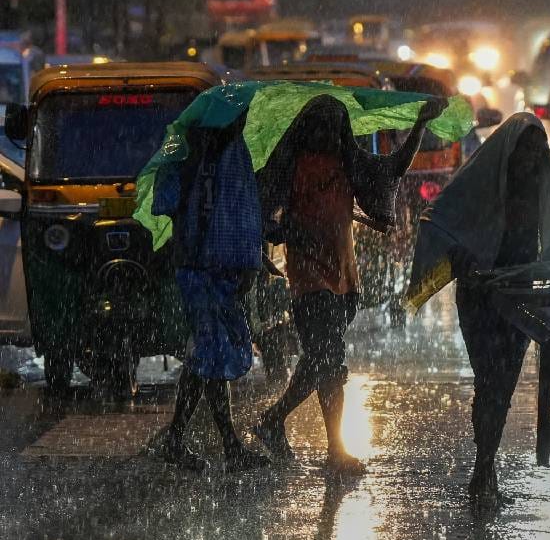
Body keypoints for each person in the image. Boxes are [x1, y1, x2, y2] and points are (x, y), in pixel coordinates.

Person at [252, 94, 438, 475]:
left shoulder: (349, 163)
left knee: (319, 360)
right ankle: (336, 451)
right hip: (309, 279)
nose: (325, 133)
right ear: (306, 128)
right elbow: (260, 211)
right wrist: (284, 231)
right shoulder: (289, 167)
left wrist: (419, 125)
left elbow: (395, 167)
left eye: (332, 126)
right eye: (318, 125)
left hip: (344, 278)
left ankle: (272, 420)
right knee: (331, 363)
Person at [418, 113, 550, 505]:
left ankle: (485, 468)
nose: (531, 160)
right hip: (482, 295)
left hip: (520, 292)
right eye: (525, 151)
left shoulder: (542, 183)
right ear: (509, 151)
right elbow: (438, 218)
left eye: (538, 153)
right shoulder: (483, 181)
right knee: (490, 378)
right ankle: (483, 468)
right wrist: (465, 257)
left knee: (503, 384)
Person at [155, 116, 271, 473]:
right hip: (205, 267)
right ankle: (224, 445)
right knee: (211, 350)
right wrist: (250, 262)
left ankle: (183, 438)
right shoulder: (219, 153)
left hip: (203, 266)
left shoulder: (190, 150)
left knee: (208, 352)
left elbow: (167, 201)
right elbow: (244, 209)